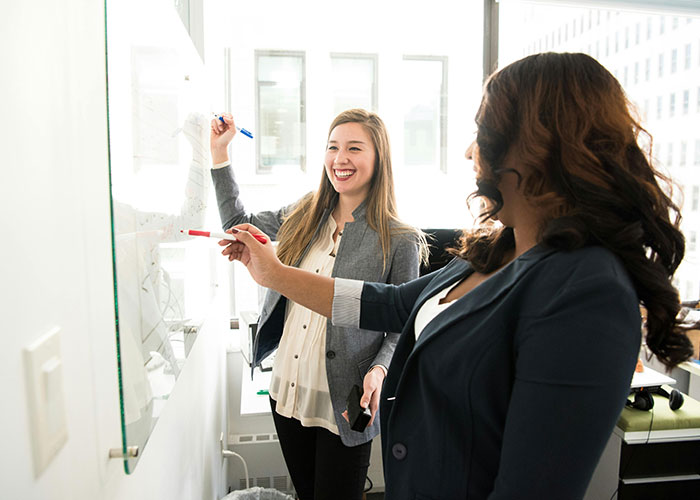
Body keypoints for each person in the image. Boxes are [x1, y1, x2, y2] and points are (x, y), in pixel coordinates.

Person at [218, 52, 694, 499]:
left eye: (483, 131)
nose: (470, 152)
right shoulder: (492, 251)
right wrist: (274, 274)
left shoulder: (586, 289)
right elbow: (392, 304)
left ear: (538, 145)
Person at [210, 109, 426, 500]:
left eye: (354, 148)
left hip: (345, 399)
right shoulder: (303, 213)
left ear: (379, 159)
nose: (340, 159)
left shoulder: (400, 239)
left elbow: (403, 322)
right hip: (288, 390)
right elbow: (238, 223)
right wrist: (220, 155)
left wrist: (379, 369)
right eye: (333, 147)